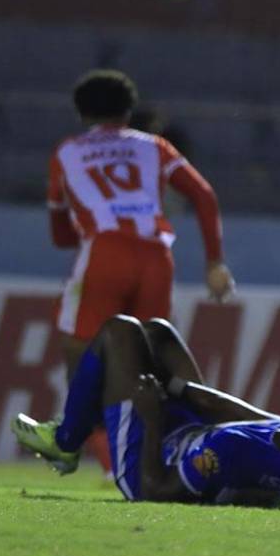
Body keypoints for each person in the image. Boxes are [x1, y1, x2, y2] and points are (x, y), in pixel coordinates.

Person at [49, 70, 234, 470]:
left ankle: (75, 446)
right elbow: (203, 195)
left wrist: (80, 232)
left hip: (104, 252)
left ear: (82, 113)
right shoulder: (155, 147)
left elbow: (61, 233)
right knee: (148, 360)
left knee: (80, 354)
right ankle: (162, 452)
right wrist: (215, 261)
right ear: (128, 110)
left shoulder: (68, 152)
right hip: (155, 257)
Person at [12, 315, 280, 505]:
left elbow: (155, 492)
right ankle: (101, 406)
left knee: (120, 331)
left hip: (146, 460)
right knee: (157, 334)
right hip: (187, 434)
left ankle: (65, 442)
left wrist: (151, 416)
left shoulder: (232, 449)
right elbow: (227, 410)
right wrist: (176, 387)